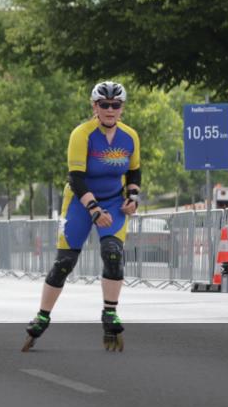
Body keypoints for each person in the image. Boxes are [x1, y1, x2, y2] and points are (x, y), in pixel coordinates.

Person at [23, 81, 141, 352]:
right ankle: (42, 315)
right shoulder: (82, 134)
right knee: (65, 262)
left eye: (116, 105)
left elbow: (134, 171)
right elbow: (75, 178)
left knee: (112, 252)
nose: (110, 110)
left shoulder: (130, 136)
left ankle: (109, 312)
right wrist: (94, 210)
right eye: (104, 105)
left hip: (112, 202)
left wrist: (133, 199)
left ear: (122, 107)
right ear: (94, 106)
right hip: (79, 201)